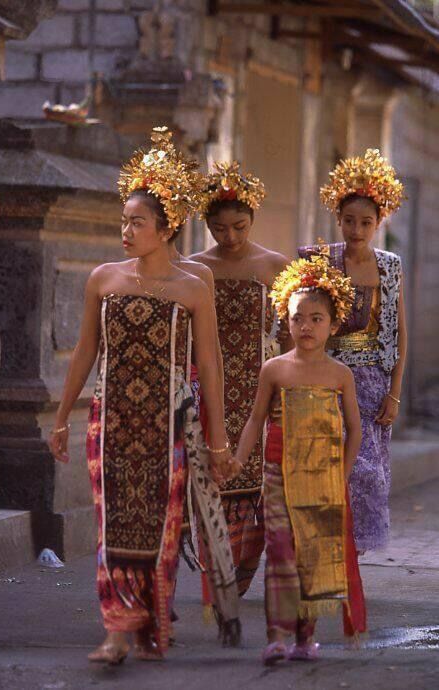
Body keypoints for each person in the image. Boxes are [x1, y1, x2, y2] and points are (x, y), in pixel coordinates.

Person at [49, 127, 240, 665]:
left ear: (166, 227)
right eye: (124, 221)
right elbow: (86, 351)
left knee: (161, 526)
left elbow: (210, 364)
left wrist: (219, 440)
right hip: (109, 423)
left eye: (137, 222)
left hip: (168, 424)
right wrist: (63, 417)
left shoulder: (193, 286)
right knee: (113, 526)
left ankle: (151, 619)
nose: (126, 231)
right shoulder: (104, 279)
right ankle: (115, 629)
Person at [230, 255, 366, 665]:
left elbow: (354, 430)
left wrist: (341, 476)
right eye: (298, 318)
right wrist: (238, 460)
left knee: (313, 555)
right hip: (277, 475)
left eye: (316, 319)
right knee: (280, 551)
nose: (306, 326)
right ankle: (276, 636)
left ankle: (306, 637)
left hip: (323, 479)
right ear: (285, 321)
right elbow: (256, 420)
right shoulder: (274, 370)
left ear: (334, 325)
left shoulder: (340, 375)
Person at [299, 149, 407, 552]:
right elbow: (299, 319)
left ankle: (352, 550)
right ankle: (321, 541)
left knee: (366, 472)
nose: (356, 229)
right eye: (348, 221)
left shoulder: (389, 266)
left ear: (380, 223)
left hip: (372, 383)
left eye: (366, 222)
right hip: (324, 376)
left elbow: (398, 333)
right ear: (337, 220)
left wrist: (394, 391)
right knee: (325, 458)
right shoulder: (319, 260)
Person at [191, 162, 291, 596]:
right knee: (212, 477)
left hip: (260, 391)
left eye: (239, 226)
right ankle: (218, 578)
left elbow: (291, 336)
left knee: (257, 484)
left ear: (253, 218)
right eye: (218, 228)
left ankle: (241, 572)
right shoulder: (193, 268)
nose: (229, 237)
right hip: (207, 393)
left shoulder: (275, 266)